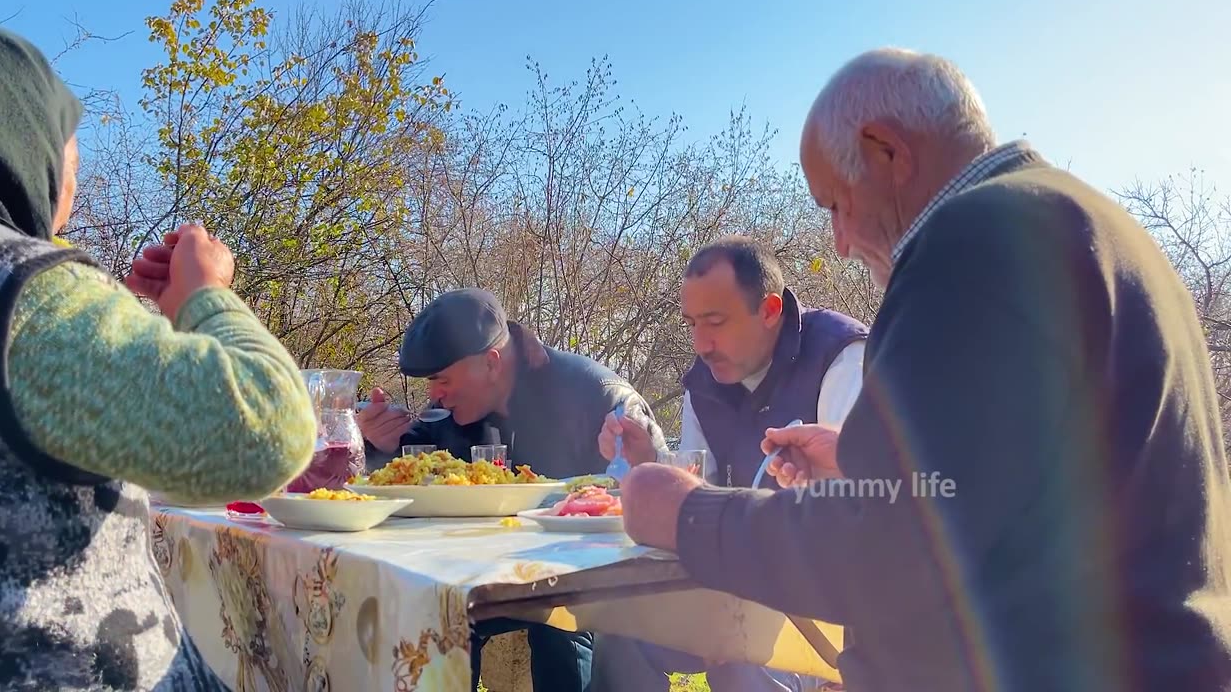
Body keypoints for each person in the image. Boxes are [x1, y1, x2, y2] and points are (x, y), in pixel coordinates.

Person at [617, 47, 1231, 691]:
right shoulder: (1092, 225)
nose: (840, 243)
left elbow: (891, 552)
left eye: (835, 205)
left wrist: (689, 516)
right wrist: (866, 467)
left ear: (886, 152)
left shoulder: (973, 238)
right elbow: (997, 497)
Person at [0, 15, 318, 690]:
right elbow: (267, 431)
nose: (74, 180)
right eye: (70, 149)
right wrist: (207, 297)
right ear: (12, 134)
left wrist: (142, 326)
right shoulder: (15, 287)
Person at [589, 236, 867, 691]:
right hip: (733, 579)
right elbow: (701, 489)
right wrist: (647, 462)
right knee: (622, 631)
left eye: (715, 322)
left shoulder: (841, 357)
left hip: (824, 595)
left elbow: (868, 509)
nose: (700, 344)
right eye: (692, 324)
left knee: (737, 658)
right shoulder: (703, 384)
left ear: (770, 311)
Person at [358, 287, 667, 692]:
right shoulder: (446, 417)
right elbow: (396, 473)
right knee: (432, 612)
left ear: (491, 362)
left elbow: (664, 484)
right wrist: (368, 440)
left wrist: (640, 463)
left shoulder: (597, 396)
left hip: (588, 579)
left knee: (560, 627)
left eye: (441, 379)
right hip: (490, 577)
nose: (434, 394)